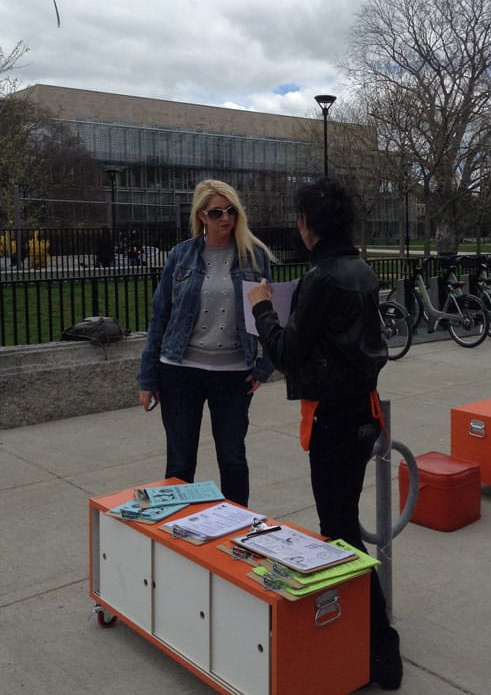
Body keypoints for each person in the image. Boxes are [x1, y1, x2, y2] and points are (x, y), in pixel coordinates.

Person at [248, 178, 402, 691]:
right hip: (363, 411)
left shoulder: (320, 279)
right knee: (343, 522)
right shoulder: (360, 269)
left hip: (334, 417)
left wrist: (262, 307)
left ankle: (381, 641)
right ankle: (368, 632)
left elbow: (286, 353)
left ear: (306, 224)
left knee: (340, 531)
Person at [137, 179, 274, 506]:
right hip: (180, 371)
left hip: (233, 373)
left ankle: (237, 528)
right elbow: (160, 316)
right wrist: (148, 378)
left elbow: (270, 312)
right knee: (180, 462)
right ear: (201, 216)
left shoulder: (254, 256)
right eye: (216, 212)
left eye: (231, 211)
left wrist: (264, 367)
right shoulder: (181, 255)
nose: (225, 218)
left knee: (233, 458)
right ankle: (178, 529)